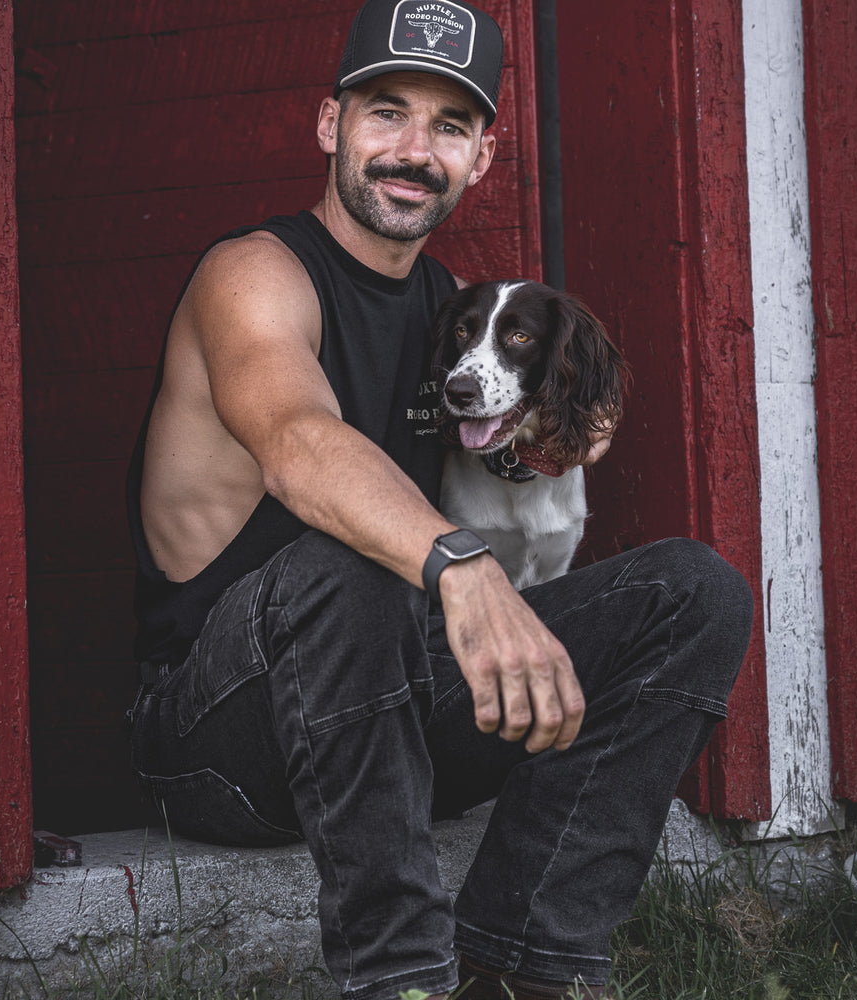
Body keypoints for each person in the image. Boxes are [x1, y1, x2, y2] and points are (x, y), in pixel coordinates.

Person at [126, 2, 754, 998]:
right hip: (224, 743)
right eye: (386, 112)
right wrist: (461, 565)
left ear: (483, 157)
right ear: (331, 124)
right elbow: (301, 443)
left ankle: (522, 962)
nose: (413, 151)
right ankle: (402, 979)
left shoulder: (448, 310)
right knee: (351, 562)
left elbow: (504, 445)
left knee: (696, 591)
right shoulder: (255, 274)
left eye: (448, 126)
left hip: (393, 714)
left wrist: (553, 436)